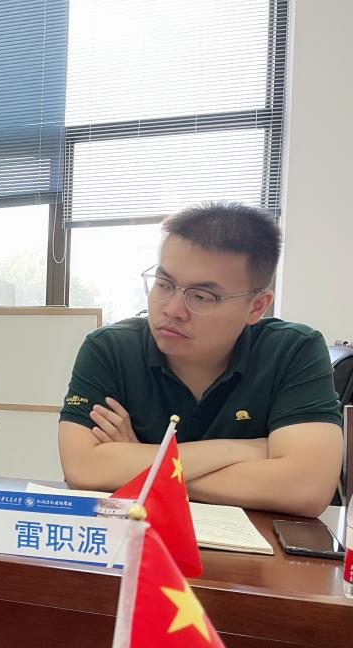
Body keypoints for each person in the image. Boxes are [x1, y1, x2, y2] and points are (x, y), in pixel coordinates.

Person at [58, 202, 342, 517]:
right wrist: (235, 450)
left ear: (257, 307)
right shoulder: (110, 349)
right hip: (138, 538)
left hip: (254, 546)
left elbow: (305, 487)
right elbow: (83, 469)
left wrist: (142, 462)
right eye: (164, 284)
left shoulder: (293, 350)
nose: (172, 309)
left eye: (202, 297)